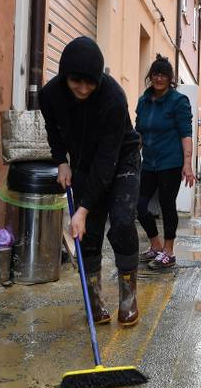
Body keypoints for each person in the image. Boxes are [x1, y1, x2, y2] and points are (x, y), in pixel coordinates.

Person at [39, 36, 141, 326]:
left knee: (121, 221)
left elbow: (107, 160)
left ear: (99, 79)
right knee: (88, 234)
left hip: (122, 158)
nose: (83, 89)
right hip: (83, 160)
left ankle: (127, 297)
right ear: (64, 75)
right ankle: (94, 299)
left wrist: (82, 209)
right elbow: (53, 129)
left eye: (90, 83)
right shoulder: (50, 95)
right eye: (76, 82)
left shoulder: (113, 98)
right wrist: (61, 161)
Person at [135, 54, 196, 271]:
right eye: (155, 74)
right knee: (140, 205)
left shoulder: (178, 101)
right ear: (150, 76)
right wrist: (130, 157)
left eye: (163, 74)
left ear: (170, 78)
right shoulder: (143, 101)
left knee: (167, 205)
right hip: (149, 163)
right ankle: (156, 245)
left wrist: (187, 164)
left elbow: (185, 134)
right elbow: (139, 133)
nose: (159, 78)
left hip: (171, 162)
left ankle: (169, 253)